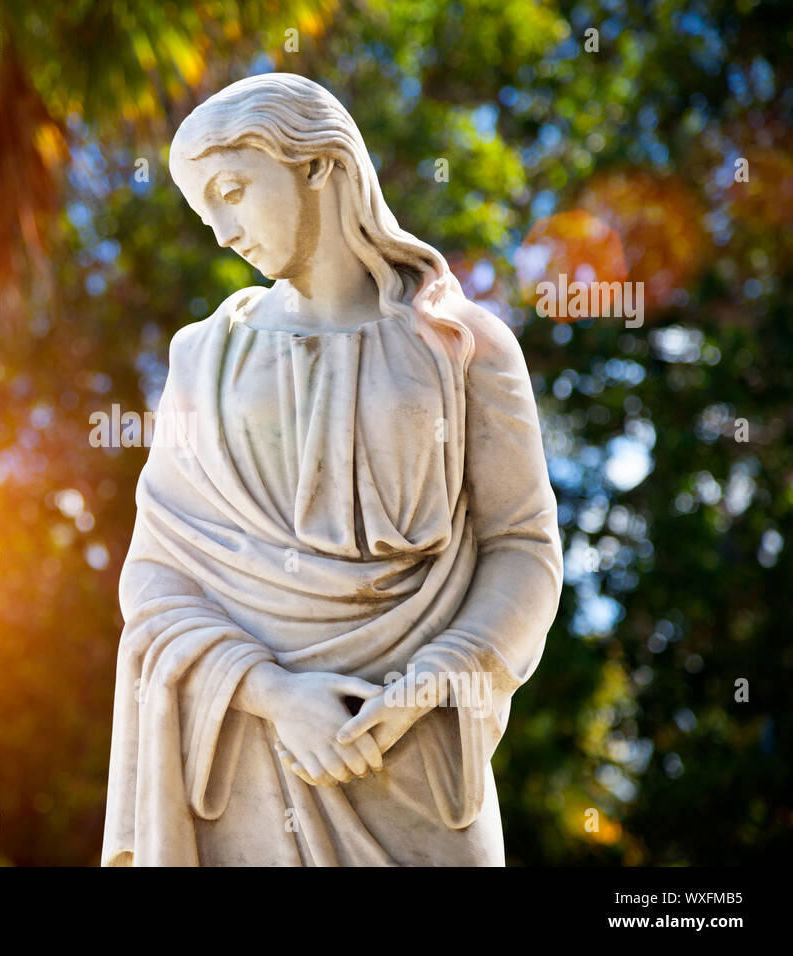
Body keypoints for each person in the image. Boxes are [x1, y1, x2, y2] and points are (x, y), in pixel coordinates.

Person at [102, 73, 563, 866]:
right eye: (203, 208)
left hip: (416, 755)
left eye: (232, 190)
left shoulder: (464, 347)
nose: (221, 231)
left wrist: (430, 682)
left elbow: (523, 547)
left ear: (319, 163)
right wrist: (274, 695)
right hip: (245, 752)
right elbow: (156, 579)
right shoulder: (203, 358)